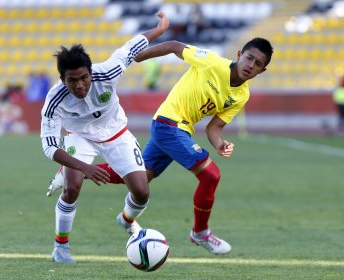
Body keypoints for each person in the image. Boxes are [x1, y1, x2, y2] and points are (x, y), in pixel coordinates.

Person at [48, 37, 273, 255]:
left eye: (257, 64)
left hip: (181, 130)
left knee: (140, 177)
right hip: (168, 123)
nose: (250, 65)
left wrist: (219, 144)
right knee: (210, 175)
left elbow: (214, 128)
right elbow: (175, 46)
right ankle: (200, 232)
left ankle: (77, 174)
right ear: (239, 55)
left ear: (261, 71)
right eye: (249, 58)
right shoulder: (212, 61)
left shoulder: (242, 95)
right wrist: (139, 57)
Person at [40, 11, 169, 263]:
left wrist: (160, 28)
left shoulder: (108, 72)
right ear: (62, 79)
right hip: (79, 136)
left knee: (142, 192)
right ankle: (61, 247)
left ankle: (126, 219)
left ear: (91, 71)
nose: (80, 85)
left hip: (116, 132)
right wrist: (83, 167)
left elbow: (132, 47)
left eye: (84, 78)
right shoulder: (54, 100)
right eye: (72, 80)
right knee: (72, 188)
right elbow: (48, 146)